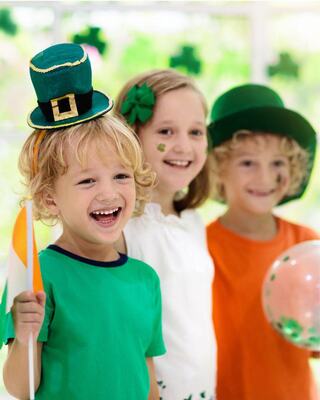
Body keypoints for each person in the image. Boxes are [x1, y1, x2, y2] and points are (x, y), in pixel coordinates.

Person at [2, 43, 165, 400]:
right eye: (87, 181)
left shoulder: (145, 280)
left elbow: (147, 374)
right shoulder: (36, 276)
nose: (108, 193)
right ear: (49, 198)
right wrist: (25, 335)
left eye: (121, 176)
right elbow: (18, 387)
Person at [206, 83, 319, 400]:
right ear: (218, 167)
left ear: (293, 170)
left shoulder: (306, 245)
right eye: (247, 163)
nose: (265, 177)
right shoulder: (201, 248)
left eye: (277, 163)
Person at [114, 69, 217, 400]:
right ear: (132, 136)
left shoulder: (193, 223)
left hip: (200, 388)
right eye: (166, 131)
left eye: (196, 132)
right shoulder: (121, 224)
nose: (183, 146)